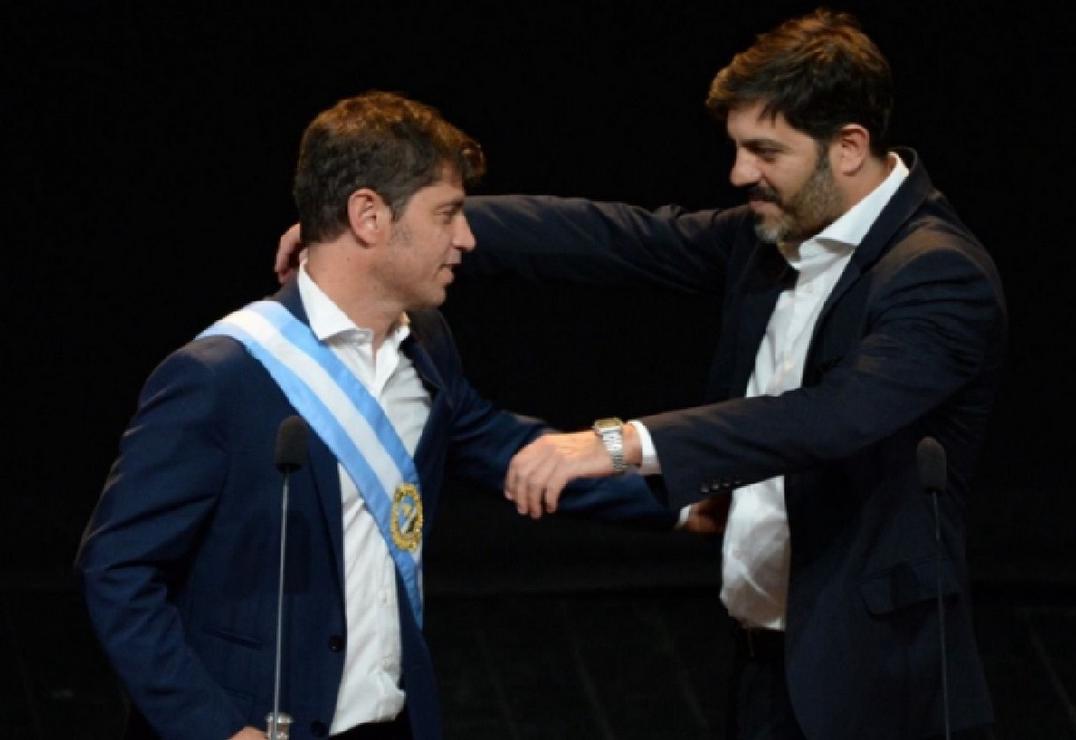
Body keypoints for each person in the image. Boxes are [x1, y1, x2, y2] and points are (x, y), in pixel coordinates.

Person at [469, 10, 1005, 740]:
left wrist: (620, 443)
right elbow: (620, 237)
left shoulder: (937, 273)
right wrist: (430, 222)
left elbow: (829, 417)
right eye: (737, 148)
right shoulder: (771, 236)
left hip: (876, 686)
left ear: (848, 147)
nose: (738, 173)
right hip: (762, 669)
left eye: (765, 151)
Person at [78, 91, 665, 740]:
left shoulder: (430, 347)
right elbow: (118, 569)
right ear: (368, 216)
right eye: (448, 214)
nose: (468, 239)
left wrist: (689, 497)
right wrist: (214, 729)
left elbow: (515, 452)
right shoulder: (219, 377)